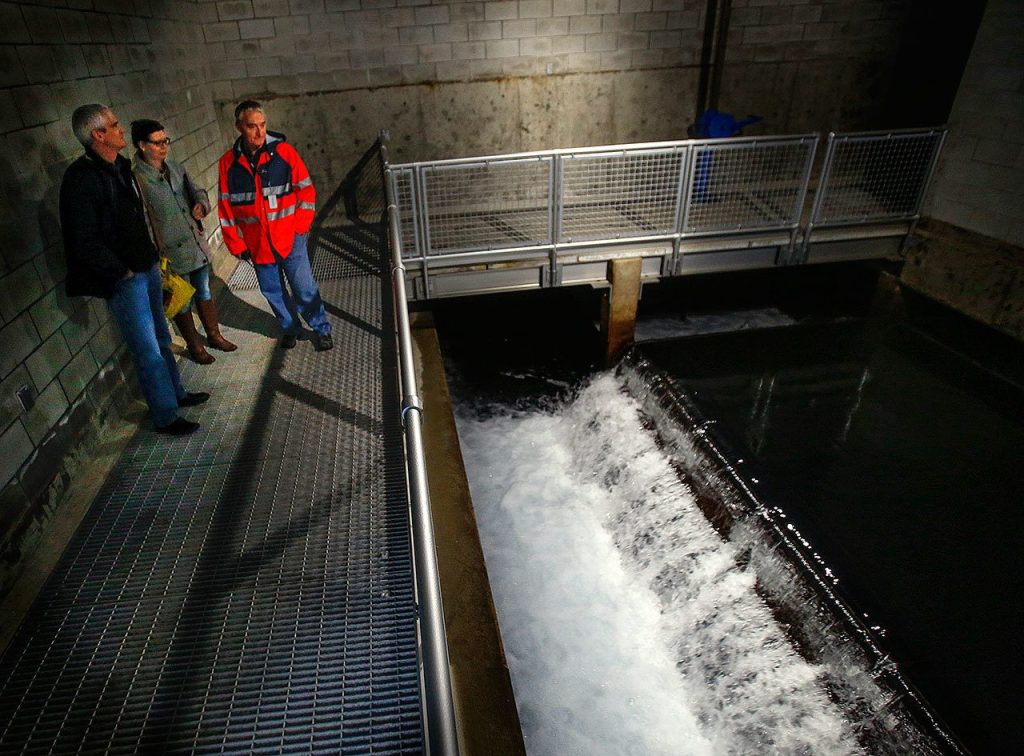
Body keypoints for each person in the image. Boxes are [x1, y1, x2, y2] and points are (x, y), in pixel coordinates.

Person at [59, 104, 209, 436]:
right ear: (98, 135)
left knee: (161, 337)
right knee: (147, 349)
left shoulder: (121, 167)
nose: (121, 130)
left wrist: (153, 259)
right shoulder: (80, 179)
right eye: (114, 126)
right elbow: (83, 239)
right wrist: (121, 271)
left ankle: (177, 395)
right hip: (124, 279)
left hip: (146, 267)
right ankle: (166, 415)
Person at [217, 100, 333, 351]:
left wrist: (300, 227)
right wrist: (235, 243)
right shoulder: (227, 164)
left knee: (303, 287)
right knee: (273, 291)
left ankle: (321, 328)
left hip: (289, 237)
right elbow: (225, 208)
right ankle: (291, 328)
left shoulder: (284, 153)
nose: (259, 132)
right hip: (257, 243)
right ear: (239, 127)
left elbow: (306, 191)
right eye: (251, 126)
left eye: (262, 125)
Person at [131, 118, 237, 364]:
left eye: (165, 141)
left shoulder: (176, 168)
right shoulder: (138, 180)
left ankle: (214, 335)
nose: (163, 147)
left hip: (193, 242)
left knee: (204, 289)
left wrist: (201, 205)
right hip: (170, 251)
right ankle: (195, 345)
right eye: (157, 143)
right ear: (142, 145)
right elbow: (144, 221)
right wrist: (155, 254)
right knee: (181, 300)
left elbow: (197, 190)